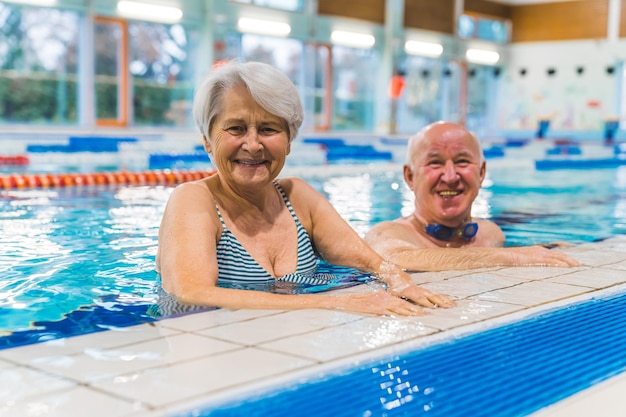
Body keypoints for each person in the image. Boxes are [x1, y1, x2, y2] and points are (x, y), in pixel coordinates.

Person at [155, 61, 455, 317]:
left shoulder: (297, 197)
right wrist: (336, 303)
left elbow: (369, 260)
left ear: (288, 140)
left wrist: (400, 282)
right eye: (235, 128)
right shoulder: (194, 199)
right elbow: (190, 292)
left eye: (268, 129)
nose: (253, 144)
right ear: (208, 140)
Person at [364, 121, 581, 272]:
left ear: (482, 173)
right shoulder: (388, 233)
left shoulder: (489, 234)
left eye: (462, 162)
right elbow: (395, 259)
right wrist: (511, 256)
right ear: (409, 177)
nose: (450, 176)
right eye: (435, 163)